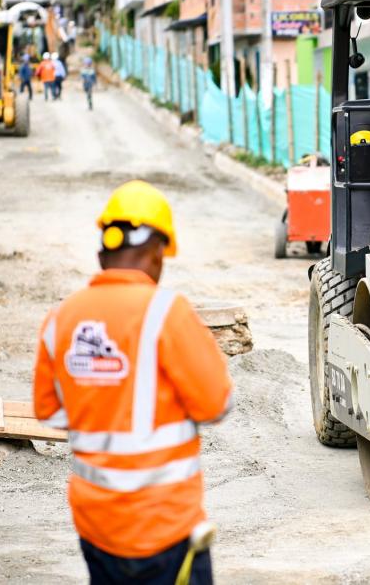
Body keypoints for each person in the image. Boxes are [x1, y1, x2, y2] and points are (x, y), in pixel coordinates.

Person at [34, 180, 232, 585]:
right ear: (157, 251)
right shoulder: (167, 312)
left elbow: (48, 411)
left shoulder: (61, 318)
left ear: (102, 252)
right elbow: (216, 405)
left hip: (96, 527)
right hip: (165, 526)